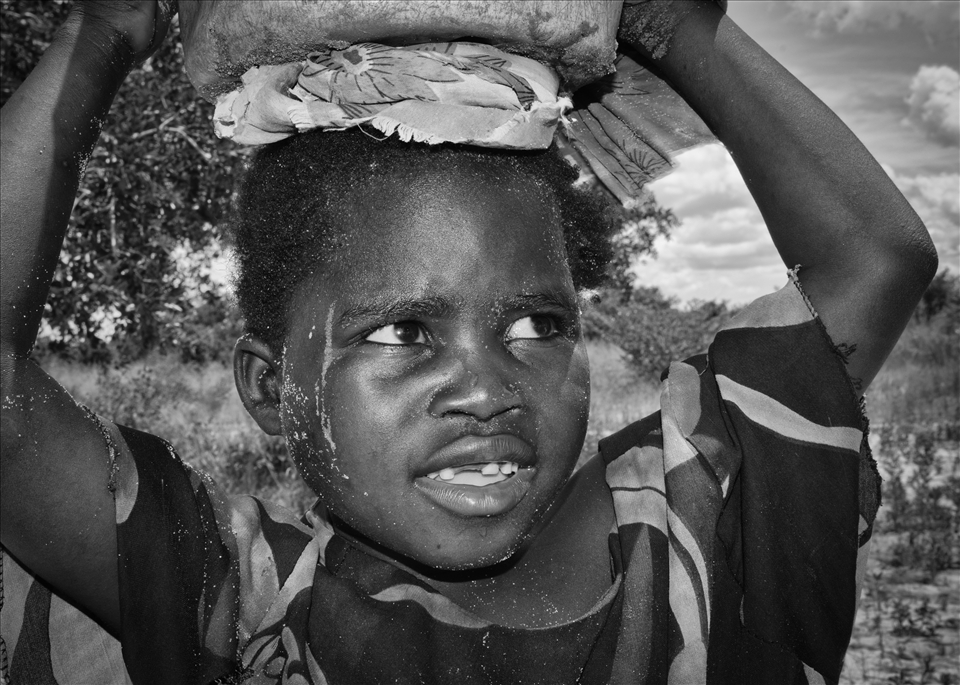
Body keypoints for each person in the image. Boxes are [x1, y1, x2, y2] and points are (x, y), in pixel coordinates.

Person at [0, 1, 938, 684]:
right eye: (405, 331)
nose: (488, 389)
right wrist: (99, 38)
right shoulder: (247, 605)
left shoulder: (694, 519)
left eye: (539, 325)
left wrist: (668, 25)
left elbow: (878, 260)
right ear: (268, 384)